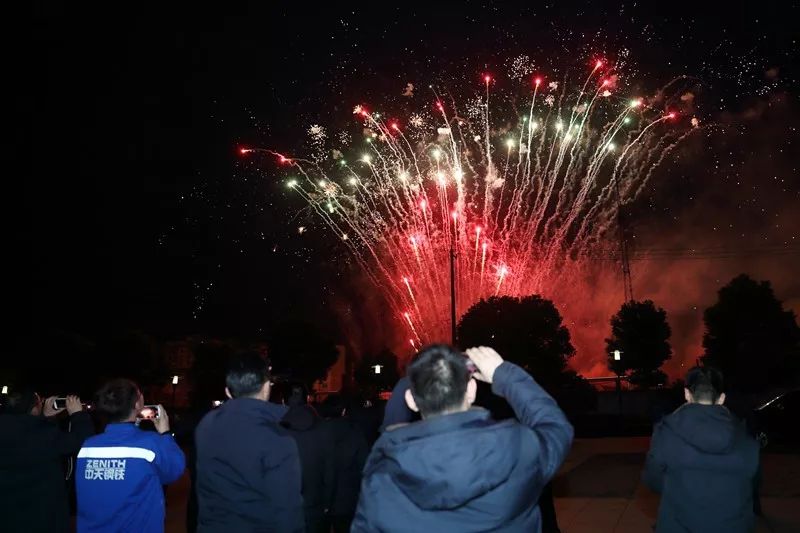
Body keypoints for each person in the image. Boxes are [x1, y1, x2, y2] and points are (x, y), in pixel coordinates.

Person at [352, 345, 574, 532]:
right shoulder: (519, 447)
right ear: (472, 389)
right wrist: (503, 374)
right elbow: (556, 426)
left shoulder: (381, 474)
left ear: (411, 400)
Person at [194, 352, 304, 532]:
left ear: (228, 392)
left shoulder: (206, 426)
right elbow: (288, 510)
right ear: (267, 387)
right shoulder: (278, 439)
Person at [643, 366, 760, 532]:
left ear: (687, 394)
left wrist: (680, 488)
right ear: (721, 398)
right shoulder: (745, 437)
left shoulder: (666, 433)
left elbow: (652, 480)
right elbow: (752, 483)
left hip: (679, 525)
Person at [75, 379, 185, 533]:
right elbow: (175, 470)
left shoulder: (88, 446)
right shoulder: (150, 444)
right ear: (137, 404)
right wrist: (165, 433)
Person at [0, 389, 94, 533]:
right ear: (33, 408)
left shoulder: (34, 431)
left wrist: (46, 417)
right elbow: (82, 441)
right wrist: (78, 414)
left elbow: (30, 435)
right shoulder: (44, 434)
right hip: (42, 517)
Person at [281, 385, 335, 533]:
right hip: (315, 503)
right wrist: (327, 502)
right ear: (308, 399)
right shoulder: (323, 428)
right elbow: (329, 469)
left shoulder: (277, 429)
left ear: (284, 401)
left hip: (284, 505)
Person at [319, 395, 370, 533]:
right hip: (348, 498)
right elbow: (364, 465)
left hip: (320, 497)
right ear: (343, 411)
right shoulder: (355, 432)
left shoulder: (318, 430)